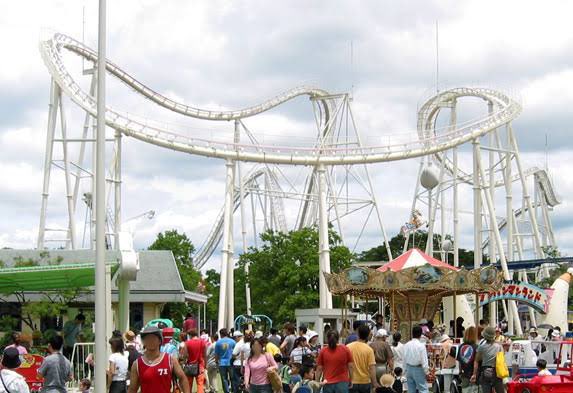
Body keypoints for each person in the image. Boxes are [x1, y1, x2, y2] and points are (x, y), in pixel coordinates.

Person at [128, 326, 190, 393]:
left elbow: (182, 378)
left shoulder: (170, 360)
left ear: (160, 341)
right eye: (147, 338)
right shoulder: (137, 364)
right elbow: (132, 389)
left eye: (153, 338)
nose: (150, 340)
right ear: (143, 342)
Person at [470, 326, 503, 393]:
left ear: (485, 336)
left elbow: (476, 361)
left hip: (485, 372)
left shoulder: (481, 347)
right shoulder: (499, 346)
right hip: (497, 373)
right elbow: (502, 359)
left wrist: (474, 374)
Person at [347, 324, 379, 393]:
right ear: (367, 335)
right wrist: (374, 382)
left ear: (357, 333)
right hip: (365, 381)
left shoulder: (348, 347)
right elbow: (372, 368)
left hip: (351, 381)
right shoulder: (369, 350)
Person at [403, 325, 429, 393]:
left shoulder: (406, 345)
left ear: (412, 334)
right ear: (421, 334)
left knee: (411, 389)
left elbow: (404, 359)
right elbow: (424, 360)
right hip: (418, 368)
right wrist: (426, 371)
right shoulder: (421, 346)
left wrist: (404, 370)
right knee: (423, 389)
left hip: (409, 368)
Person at [182, 329, 207, 393]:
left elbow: (185, 355)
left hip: (189, 366)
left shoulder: (187, 343)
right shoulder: (202, 342)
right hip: (200, 366)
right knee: (200, 384)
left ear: (190, 335)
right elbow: (205, 355)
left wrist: (184, 363)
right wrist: (205, 364)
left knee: (188, 385)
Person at [214, 328, 236, 393]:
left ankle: (226, 391)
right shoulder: (232, 341)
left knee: (224, 379)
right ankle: (233, 390)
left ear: (221, 334)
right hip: (231, 362)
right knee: (233, 378)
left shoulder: (218, 343)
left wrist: (216, 361)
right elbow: (236, 352)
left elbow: (216, 355)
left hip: (222, 363)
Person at [457, 326, 478, 393]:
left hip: (464, 374)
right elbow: (476, 362)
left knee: (465, 390)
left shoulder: (461, 346)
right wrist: (474, 374)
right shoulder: (476, 347)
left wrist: (460, 371)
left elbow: (460, 361)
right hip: (474, 374)